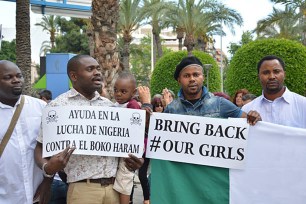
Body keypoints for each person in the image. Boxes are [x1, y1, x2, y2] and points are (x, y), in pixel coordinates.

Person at [34, 55, 143, 204]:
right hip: (83, 190)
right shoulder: (57, 107)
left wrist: (134, 161)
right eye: (90, 69)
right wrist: (48, 168)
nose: (97, 72)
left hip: (114, 190)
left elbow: (121, 148)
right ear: (74, 76)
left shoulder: (110, 107)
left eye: (98, 68)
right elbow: (40, 147)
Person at [151, 56, 261, 203]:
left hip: (213, 183)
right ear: (179, 80)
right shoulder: (171, 109)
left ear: (202, 77)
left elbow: (247, 123)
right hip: (184, 182)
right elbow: (161, 147)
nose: (192, 79)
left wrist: (253, 118)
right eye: (186, 76)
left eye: (196, 75)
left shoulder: (220, 104)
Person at [0, 60, 46, 204]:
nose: (16, 80)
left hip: (38, 195)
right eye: (8, 77)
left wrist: (47, 183)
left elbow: (51, 149)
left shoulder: (41, 108)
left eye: (19, 76)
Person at [242, 55, 306, 128]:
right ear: (259, 77)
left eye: (276, 71)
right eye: (266, 73)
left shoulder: (303, 105)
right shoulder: (247, 109)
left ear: (284, 74)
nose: (272, 76)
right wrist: (255, 127)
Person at [112, 71, 141, 204]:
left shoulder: (133, 105)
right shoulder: (115, 105)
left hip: (128, 152)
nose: (118, 94)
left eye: (123, 91)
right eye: (116, 90)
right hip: (117, 148)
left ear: (133, 92)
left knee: (124, 180)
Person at [37, 89, 68, 204]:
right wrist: (47, 172)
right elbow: (39, 148)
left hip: (64, 182)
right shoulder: (53, 108)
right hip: (55, 181)